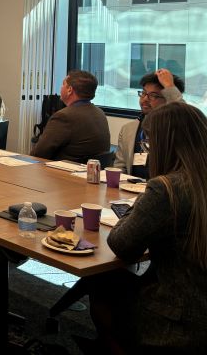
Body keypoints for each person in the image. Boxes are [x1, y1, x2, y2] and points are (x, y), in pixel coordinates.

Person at [85, 102, 207, 353]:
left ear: (164, 145)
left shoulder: (167, 190)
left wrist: (144, 197)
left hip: (176, 319)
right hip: (199, 303)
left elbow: (121, 245)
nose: (147, 151)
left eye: (149, 143)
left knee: (101, 281)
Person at [114, 68, 184, 178]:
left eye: (153, 95)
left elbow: (185, 115)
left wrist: (170, 87)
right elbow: (120, 166)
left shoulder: (177, 129)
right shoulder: (128, 129)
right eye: (143, 93)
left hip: (165, 186)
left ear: (168, 99)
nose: (145, 99)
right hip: (131, 186)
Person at [30, 70, 110, 163]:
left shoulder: (64, 116)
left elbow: (38, 153)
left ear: (69, 90)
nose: (61, 88)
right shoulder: (100, 113)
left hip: (61, 170)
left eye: (63, 84)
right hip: (90, 170)